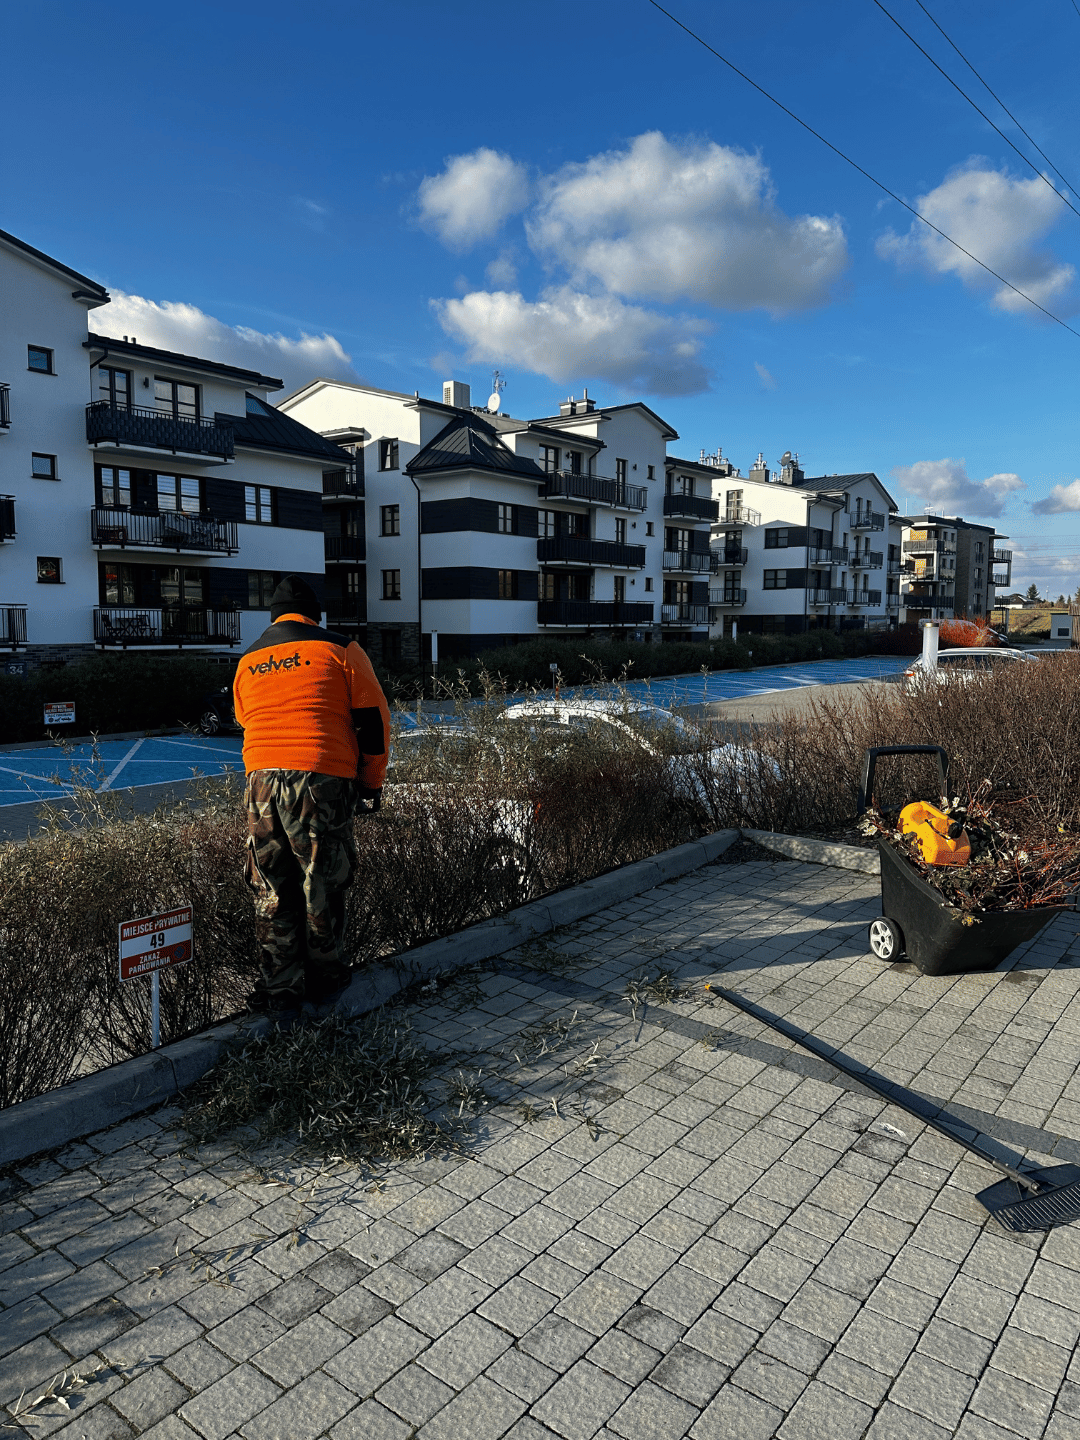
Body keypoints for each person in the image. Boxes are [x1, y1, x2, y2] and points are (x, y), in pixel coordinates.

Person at [232, 575, 390, 1015]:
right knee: (321, 880)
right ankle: (327, 979)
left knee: (270, 883)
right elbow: (374, 724)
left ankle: (278, 988)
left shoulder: (248, 661)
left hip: (260, 779)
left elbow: (245, 718)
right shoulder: (341, 649)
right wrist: (371, 783)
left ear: (274, 618)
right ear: (315, 615)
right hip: (320, 776)